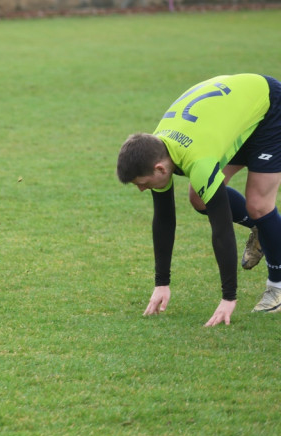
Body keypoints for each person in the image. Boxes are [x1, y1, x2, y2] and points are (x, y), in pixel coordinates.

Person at [117, 73, 281, 326]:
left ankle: (277, 287)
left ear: (160, 169)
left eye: (143, 184)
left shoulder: (197, 161)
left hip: (268, 105)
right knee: (200, 199)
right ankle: (266, 231)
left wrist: (229, 298)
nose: (142, 190)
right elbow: (164, 220)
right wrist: (162, 283)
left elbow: (222, 228)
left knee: (259, 205)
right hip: (233, 115)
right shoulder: (157, 148)